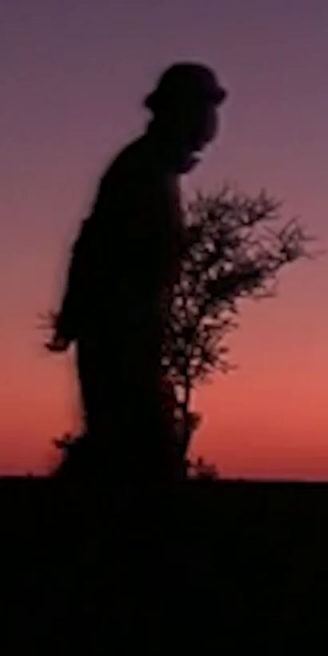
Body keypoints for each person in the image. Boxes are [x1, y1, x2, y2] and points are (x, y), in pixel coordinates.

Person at [47, 62, 226, 483]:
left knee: (124, 444)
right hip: (122, 329)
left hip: (130, 327)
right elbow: (98, 245)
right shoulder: (141, 170)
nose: (209, 124)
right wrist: (83, 314)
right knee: (135, 448)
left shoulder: (151, 169)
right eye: (203, 110)